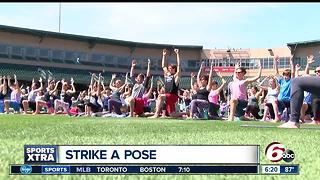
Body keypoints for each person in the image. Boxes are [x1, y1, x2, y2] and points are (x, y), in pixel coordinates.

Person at [149, 48, 181, 118]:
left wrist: (177, 54)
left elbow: (179, 65)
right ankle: (187, 113)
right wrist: (164, 55)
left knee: (160, 96)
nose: (169, 69)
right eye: (169, 68)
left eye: (171, 68)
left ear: (175, 70)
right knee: (172, 115)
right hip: (168, 96)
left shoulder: (176, 76)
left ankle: (156, 114)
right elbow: (163, 66)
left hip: (173, 96)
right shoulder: (167, 74)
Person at [271, 55, 295, 122]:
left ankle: (284, 113)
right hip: (281, 100)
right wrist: (275, 62)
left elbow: (293, 72)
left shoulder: (291, 81)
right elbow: (276, 73)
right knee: (274, 101)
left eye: (287, 75)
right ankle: (277, 117)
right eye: (284, 75)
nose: (285, 77)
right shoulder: (282, 81)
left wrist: (291, 62)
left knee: (287, 112)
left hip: (288, 100)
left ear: (289, 76)